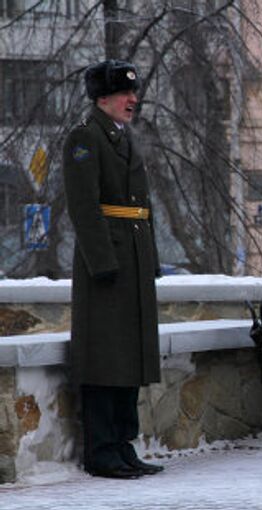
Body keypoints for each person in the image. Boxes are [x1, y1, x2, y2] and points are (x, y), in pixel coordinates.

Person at [63, 60, 164, 478]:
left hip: (133, 255)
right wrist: (103, 262)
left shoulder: (122, 137)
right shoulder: (85, 139)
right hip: (107, 261)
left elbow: (141, 206)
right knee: (105, 357)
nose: (132, 99)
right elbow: (84, 206)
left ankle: (124, 444)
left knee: (130, 356)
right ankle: (102, 450)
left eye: (133, 92)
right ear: (102, 97)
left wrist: (149, 259)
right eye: (124, 93)